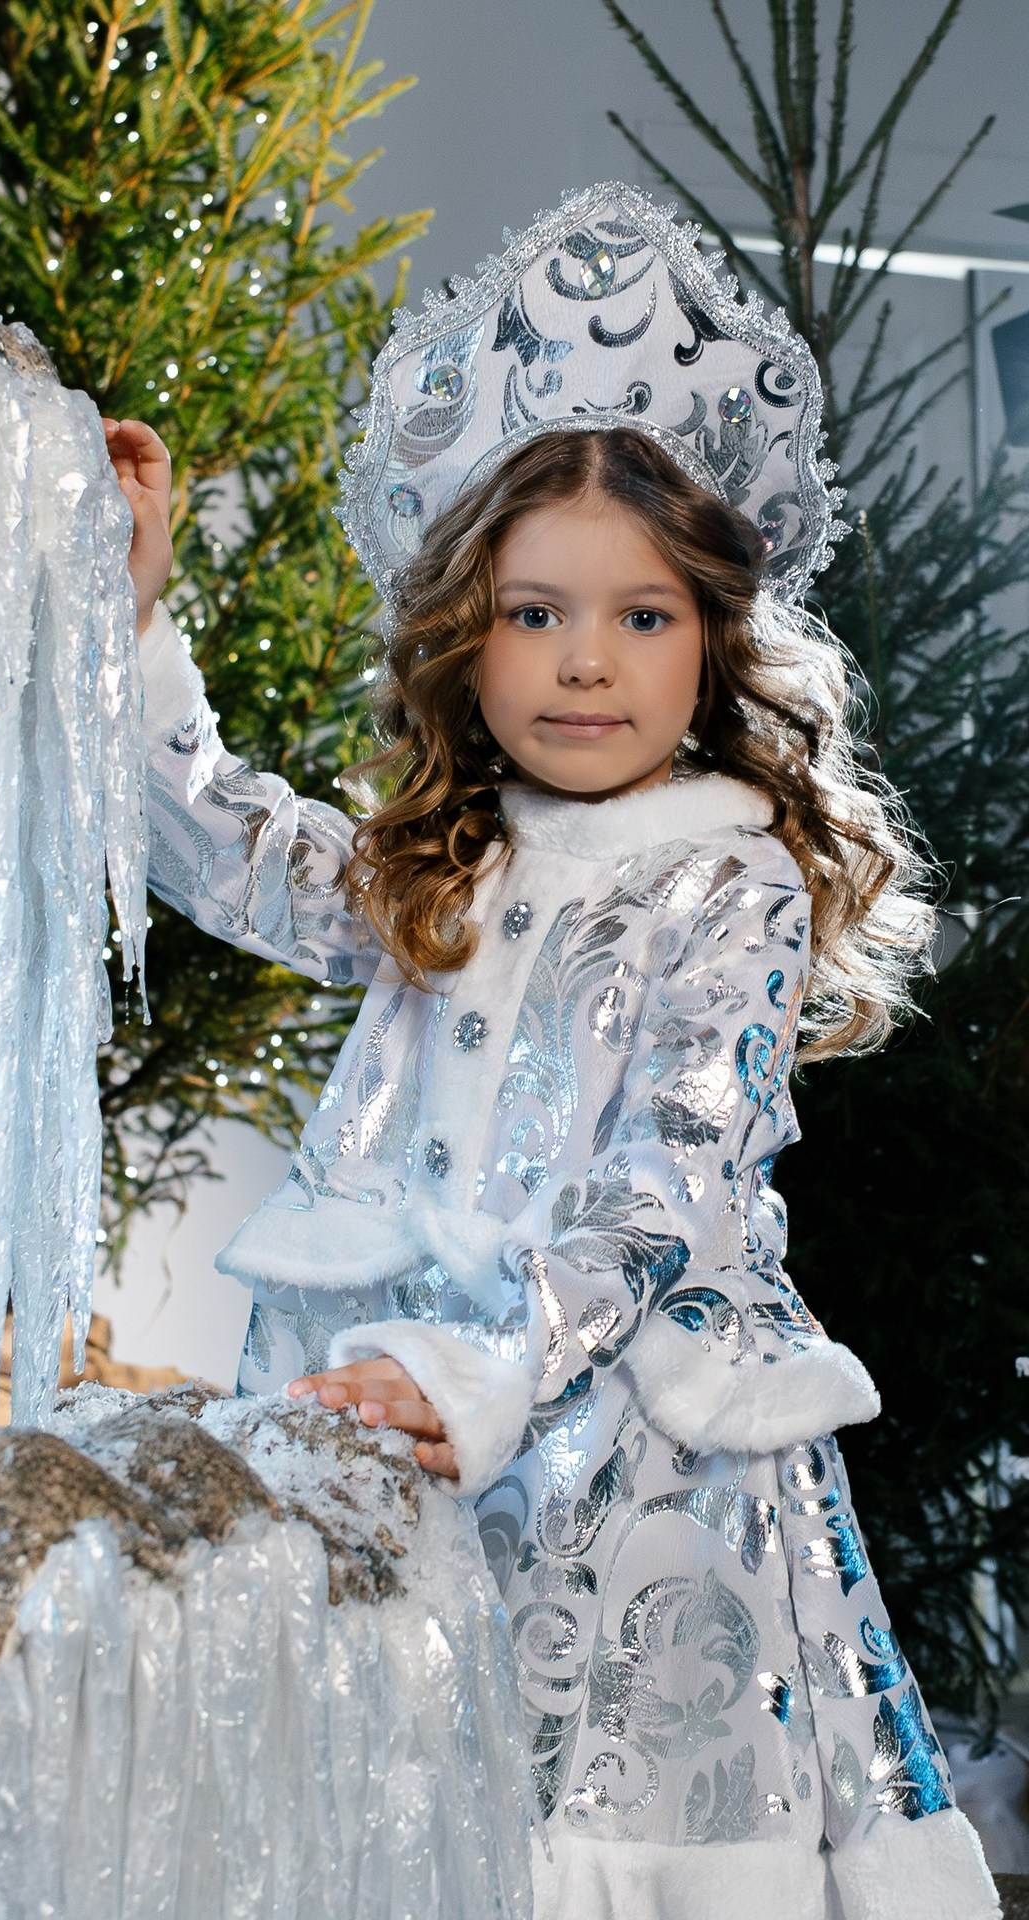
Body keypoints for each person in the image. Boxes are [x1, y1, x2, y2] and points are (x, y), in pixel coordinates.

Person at [106, 184, 1001, 1919]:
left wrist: (492, 1366)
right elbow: (222, 844)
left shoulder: (729, 881)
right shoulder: (452, 857)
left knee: (583, 1842)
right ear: (467, 631)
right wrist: (141, 622)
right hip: (391, 1411)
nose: (584, 664)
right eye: (534, 614)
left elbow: (671, 1182)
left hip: (621, 1463)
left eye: (642, 617)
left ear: (715, 638)